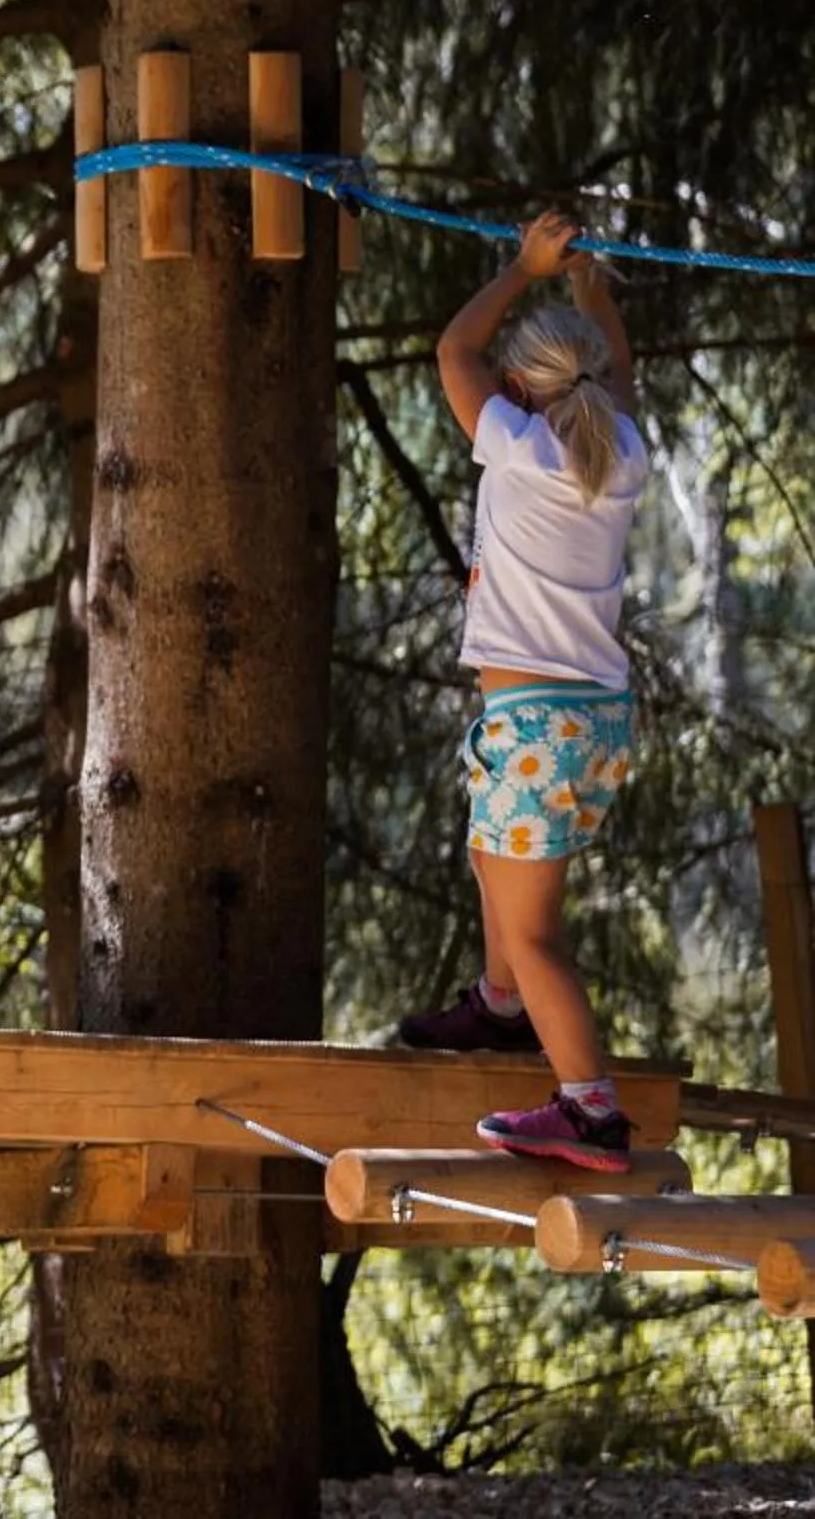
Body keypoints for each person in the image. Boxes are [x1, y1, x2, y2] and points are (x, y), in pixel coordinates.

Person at [395, 211, 649, 1171]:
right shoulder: (616, 454)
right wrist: (586, 295)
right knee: (488, 856)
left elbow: (452, 345)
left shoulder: (521, 449)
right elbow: (613, 380)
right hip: (576, 723)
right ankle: (501, 1008)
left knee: (535, 930)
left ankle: (590, 1110)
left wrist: (525, 268)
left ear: (515, 391)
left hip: (540, 724)